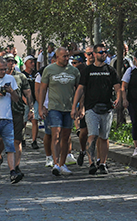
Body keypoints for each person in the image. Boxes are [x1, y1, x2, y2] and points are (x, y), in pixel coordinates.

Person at [72, 43, 121, 175]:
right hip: (91, 108)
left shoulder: (110, 70)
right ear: (94, 54)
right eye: (100, 52)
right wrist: (74, 107)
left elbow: (117, 87)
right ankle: (91, 162)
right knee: (92, 135)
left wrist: (119, 98)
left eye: (105, 52)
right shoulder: (87, 71)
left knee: (104, 137)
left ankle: (103, 163)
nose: (103, 54)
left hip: (107, 108)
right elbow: (80, 89)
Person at [38, 47, 81, 177]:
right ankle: (56, 163)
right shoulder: (49, 70)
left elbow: (79, 89)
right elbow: (43, 89)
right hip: (54, 107)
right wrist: (40, 107)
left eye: (68, 56)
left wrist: (79, 107)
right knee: (55, 134)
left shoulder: (74, 71)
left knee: (66, 136)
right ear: (57, 57)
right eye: (64, 56)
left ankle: (62, 164)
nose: (66, 58)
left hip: (68, 108)